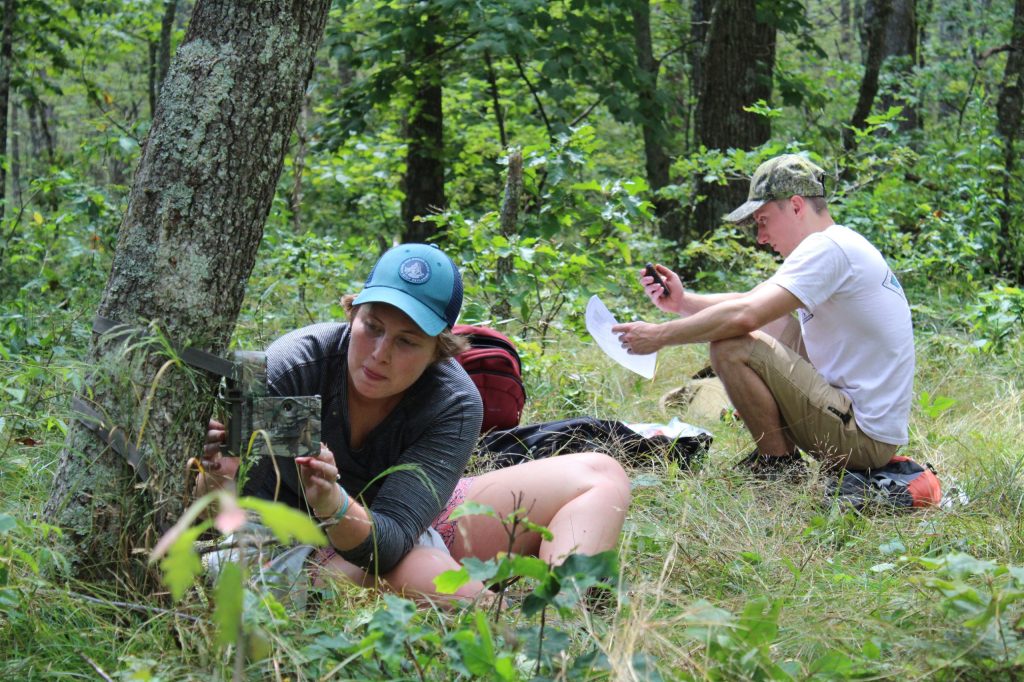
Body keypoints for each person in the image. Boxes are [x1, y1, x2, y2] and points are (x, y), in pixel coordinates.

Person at [200, 243, 631, 603]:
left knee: (599, 472)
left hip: (392, 529)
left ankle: (568, 611)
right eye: (372, 326)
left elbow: (391, 538)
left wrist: (333, 501)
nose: (380, 353)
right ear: (352, 314)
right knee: (432, 580)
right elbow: (243, 510)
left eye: (407, 341)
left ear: (438, 350)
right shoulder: (293, 367)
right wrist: (216, 478)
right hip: (299, 542)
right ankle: (509, 627)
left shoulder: (453, 399)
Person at [612, 154, 915, 478]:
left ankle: (778, 468)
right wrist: (682, 303)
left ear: (796, 206)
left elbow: (745, 315)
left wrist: (659, 336)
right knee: (774, 323)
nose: (761, 237)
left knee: (732, 346)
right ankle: (778, 458)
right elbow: (752, 303)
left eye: (763, 220)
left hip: (860, 438)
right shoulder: (839, 244)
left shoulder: (828, 248)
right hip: (863, 428)